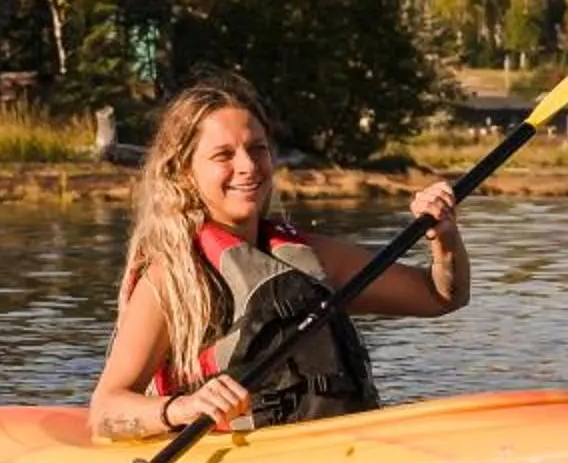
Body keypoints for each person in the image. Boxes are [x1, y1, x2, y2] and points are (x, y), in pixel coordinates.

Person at [88, 70, 465, 443]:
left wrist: (443, 240)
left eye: (258, 149)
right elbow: (105, 411)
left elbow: (439, 296)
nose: (248, 167)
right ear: (185, 173)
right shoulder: (171, 279)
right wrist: (181, 409)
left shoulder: (312, 257)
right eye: (224, 155)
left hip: (342, 448)